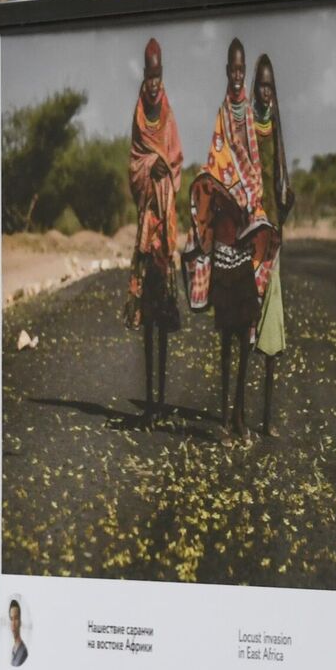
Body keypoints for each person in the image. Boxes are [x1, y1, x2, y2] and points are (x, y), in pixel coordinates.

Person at [190, 38, 272, 437]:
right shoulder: (222, 119)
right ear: (226, 71)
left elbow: (254, 175)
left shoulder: (249, 123)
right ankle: (224, 416)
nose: (238, 76)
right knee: (225, 337)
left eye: (242, 70)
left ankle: (240, 413)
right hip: (225, 240)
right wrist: (231, 195)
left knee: (243, 336)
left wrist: (249, 200)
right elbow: (213, 171)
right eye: (233, 70)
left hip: (244, 242)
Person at [124, 38, 185, 425]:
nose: (153, 84)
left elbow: (176, 160)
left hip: (167, 227)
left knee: (164, 315)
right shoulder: (138, 117)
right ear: (143, 78)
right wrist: (150, 169)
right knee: (147, 319)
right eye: (149, 77)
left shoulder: (168, 115)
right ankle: (149, 402)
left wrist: (163, 168)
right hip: (148, 223)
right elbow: (134, 165)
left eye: (158, 77)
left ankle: (162, 402)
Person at [251, 54, 295, 437]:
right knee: (245, 324)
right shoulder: (248, 126)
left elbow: (281, 186)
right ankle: (236, 417)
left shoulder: (276, 129)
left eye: (270, 86)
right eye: (261, 85)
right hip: (252, 237)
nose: (265, 92)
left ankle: (265, 420)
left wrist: (284, 209)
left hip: (274, 239)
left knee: (270, 327)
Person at [8, 599, 29, 667]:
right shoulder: (13, 649)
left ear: (20, 621)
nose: (13, 623)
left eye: (16, 618)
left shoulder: (23, 651)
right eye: (11, 619)